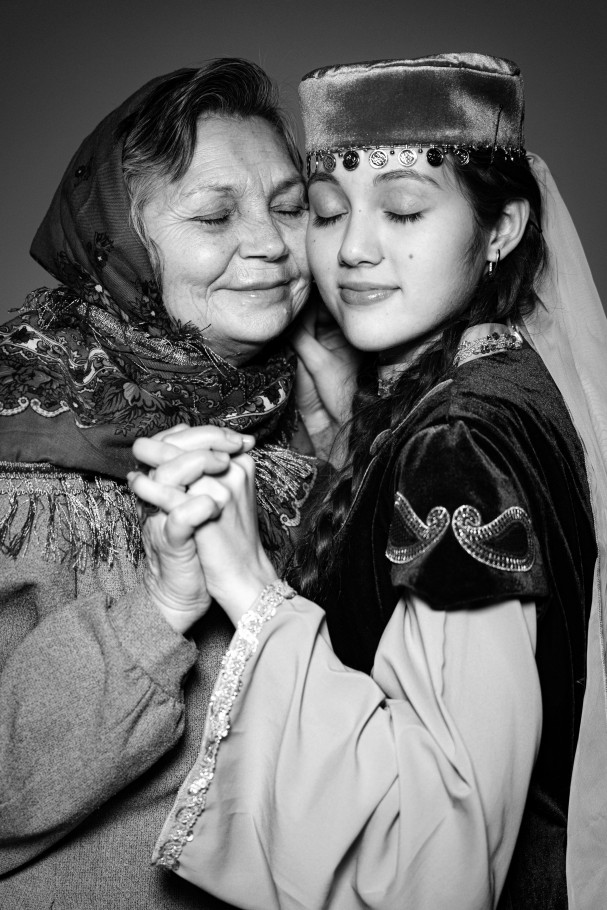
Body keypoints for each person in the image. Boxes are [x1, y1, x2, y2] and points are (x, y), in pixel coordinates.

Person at [130, 54, 607, 908]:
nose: (351, 248)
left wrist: (249, 589)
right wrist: (349, 440)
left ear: (501, 229)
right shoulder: (499, 382)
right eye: (325, 211)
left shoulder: (457, 446)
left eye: (404, 210)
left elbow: (441, 863)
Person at [0, 58, 317, 910]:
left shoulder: (302, 426)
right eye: (214, 214)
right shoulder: (23, 472)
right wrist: (158, 608)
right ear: (119, 239)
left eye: (291, 207)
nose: (271, 242)